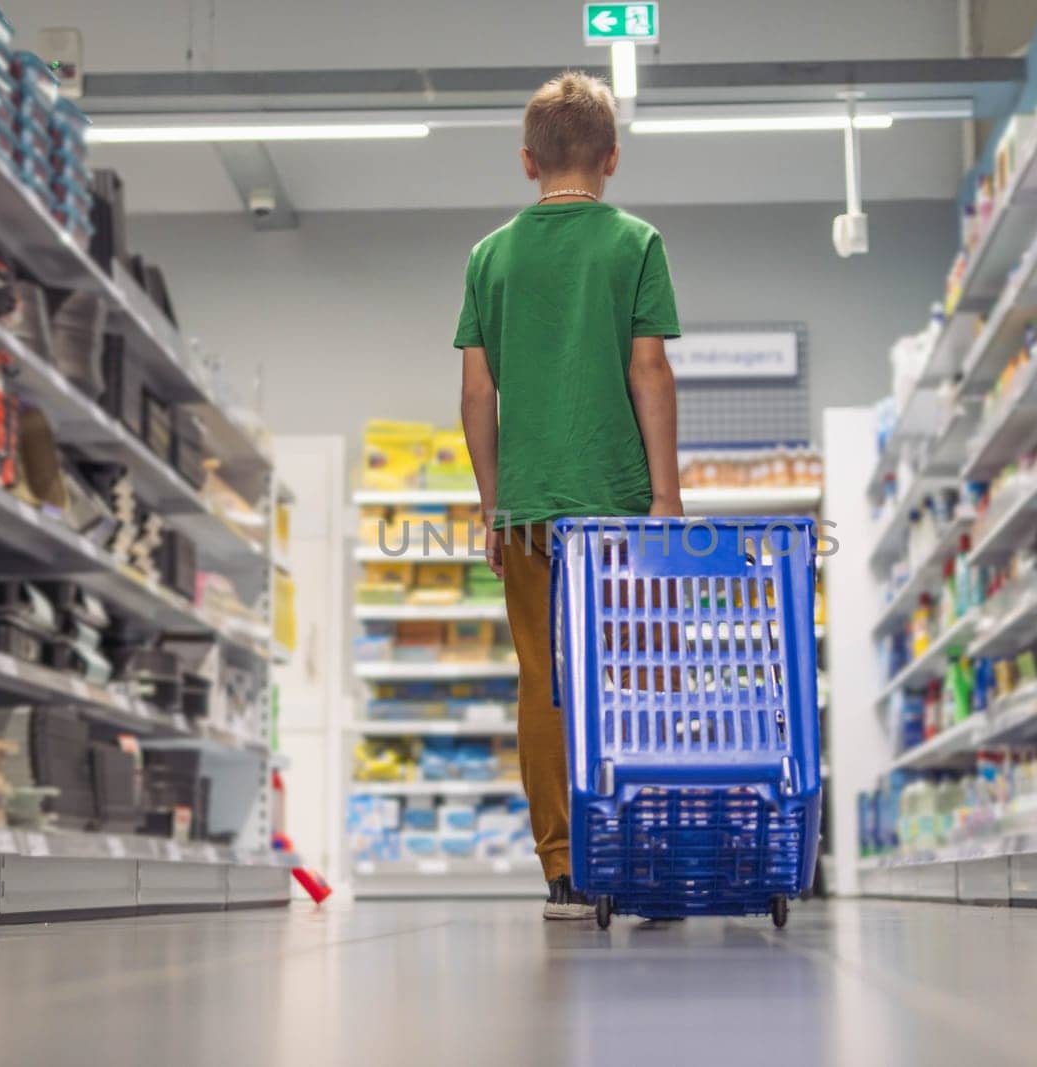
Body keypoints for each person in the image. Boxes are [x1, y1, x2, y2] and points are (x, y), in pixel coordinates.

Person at [455, 71, 683, 919]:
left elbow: (479, 396)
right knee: (640, 675)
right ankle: (647, 851)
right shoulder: (636, 243)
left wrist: (492, 503)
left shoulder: (490, 257)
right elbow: (649, 370)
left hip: (530, 509)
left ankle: (565, 867)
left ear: (526, 162)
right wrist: (665, 498)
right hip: (620, 503)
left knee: (546, 681)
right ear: (612, 158)